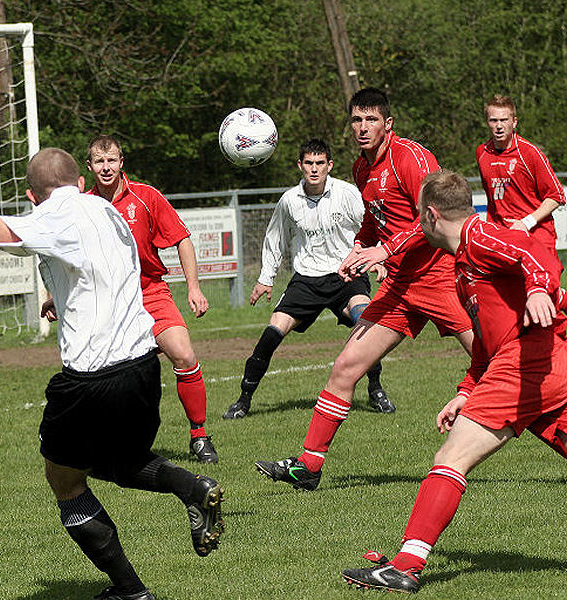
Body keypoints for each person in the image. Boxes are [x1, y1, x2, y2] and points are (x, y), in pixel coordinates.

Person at [0, 148, 225, 600]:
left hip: (93, 377)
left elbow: (3, 232)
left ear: (32, 196)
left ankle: (130, 590)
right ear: (82, 181)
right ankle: (192, 486)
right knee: (116, 462)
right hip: (144, 366)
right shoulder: (106, 208)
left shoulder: (54, 214)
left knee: (64, 479)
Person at [341, 169, 567, 594]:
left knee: (451, 457)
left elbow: (532, 253)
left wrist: (539, 289)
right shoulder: (463, 261)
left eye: (416, 218)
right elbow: (487, 339)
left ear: (429, 215)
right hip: (544, 365)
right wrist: (467, 390)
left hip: (528, 362)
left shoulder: (480, 237)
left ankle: (406, 565)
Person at [255, 87, 473, 491]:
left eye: (371, 119)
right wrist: (360, 245)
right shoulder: (361, 168)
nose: (362, 127)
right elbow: (375, 222)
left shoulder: (410, 158)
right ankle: (308, 466)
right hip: (398, 286)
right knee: (345, 367)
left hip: (440, 276)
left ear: (388, 124)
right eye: (356, 119)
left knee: (498, 363)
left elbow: (435, 218)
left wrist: (385, 248)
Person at [56, 134, 217, 463]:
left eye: (111, 160)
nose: (106, 167)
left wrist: (194, 287)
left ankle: (199, 436)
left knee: (184, 355)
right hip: (109, 301)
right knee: (107, 376)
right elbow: (65, 257)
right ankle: (108, 441)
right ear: (89, 167)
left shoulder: (145, 197)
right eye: (99, 162)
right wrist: (52, 297)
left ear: (121, 162)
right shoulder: (84, 207)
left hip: (150, 292)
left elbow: (182, 239)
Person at [223, 138, 394, 421]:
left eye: (320, 163)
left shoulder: (347, 194)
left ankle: (375, 389)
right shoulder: (289, 200)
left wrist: (378, 258)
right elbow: (275, 240)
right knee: (272, 333)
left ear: (330, 165)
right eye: (309, 164)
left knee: (365, 323)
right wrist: (266, 278)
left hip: (346, 275)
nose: (314, 169)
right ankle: (243, 399)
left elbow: (373, 224)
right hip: (306, 280)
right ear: (300, 166)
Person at [477, 94, 565, 263]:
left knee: (544, 289)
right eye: (494, 120)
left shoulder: (529, 153)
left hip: (536, 235)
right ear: (487, 122)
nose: (499, 126)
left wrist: (526, 222)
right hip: (503, 238)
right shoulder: (482, 153)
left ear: (514, 122)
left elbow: (557, 196)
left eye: (504, 120)